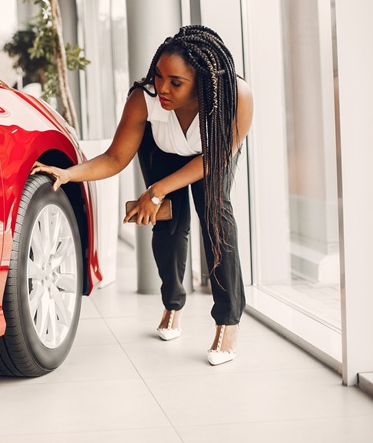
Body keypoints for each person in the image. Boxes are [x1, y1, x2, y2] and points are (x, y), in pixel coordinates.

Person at [31, 25, 253, 366]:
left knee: (215, 218)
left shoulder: (236, 97)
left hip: (210, 155)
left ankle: (228, 321)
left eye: (175, 82)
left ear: (203, 84)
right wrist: (68, 173)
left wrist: (157, 190)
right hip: (161, 151)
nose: (162, 87)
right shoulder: (145, 98)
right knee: (168, 228)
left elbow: (214, 159)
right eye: (159, 75)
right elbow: (114, 158)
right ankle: (172, 304)